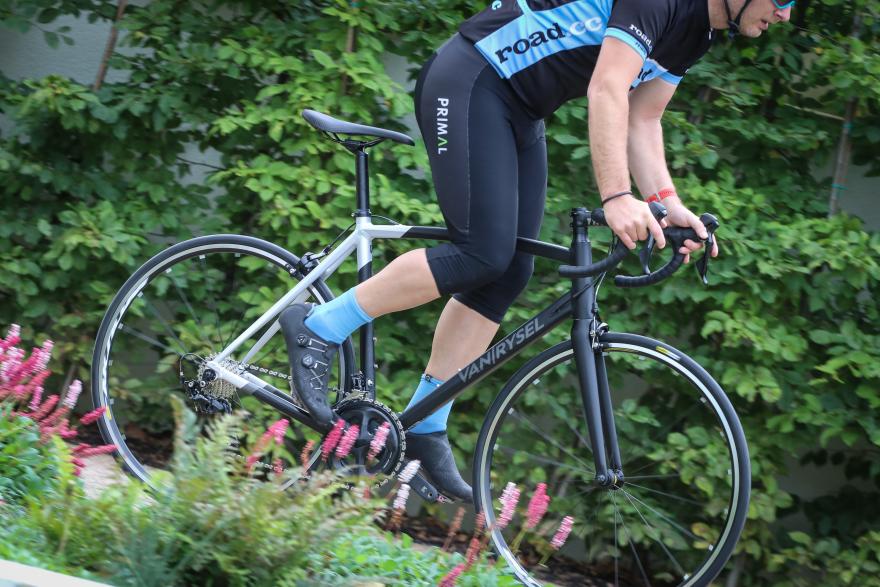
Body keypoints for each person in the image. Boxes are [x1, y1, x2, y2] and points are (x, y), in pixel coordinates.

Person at [279, 0, 792, 501]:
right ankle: (319, 326)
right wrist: (617, 196)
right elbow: (608, 87)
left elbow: (643, 119)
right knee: (480, 251)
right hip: (472, 79)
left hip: (522, 109)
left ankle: (425, 424)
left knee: (507, 273)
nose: (786, 13)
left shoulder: (697, 31)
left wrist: (668, 203)